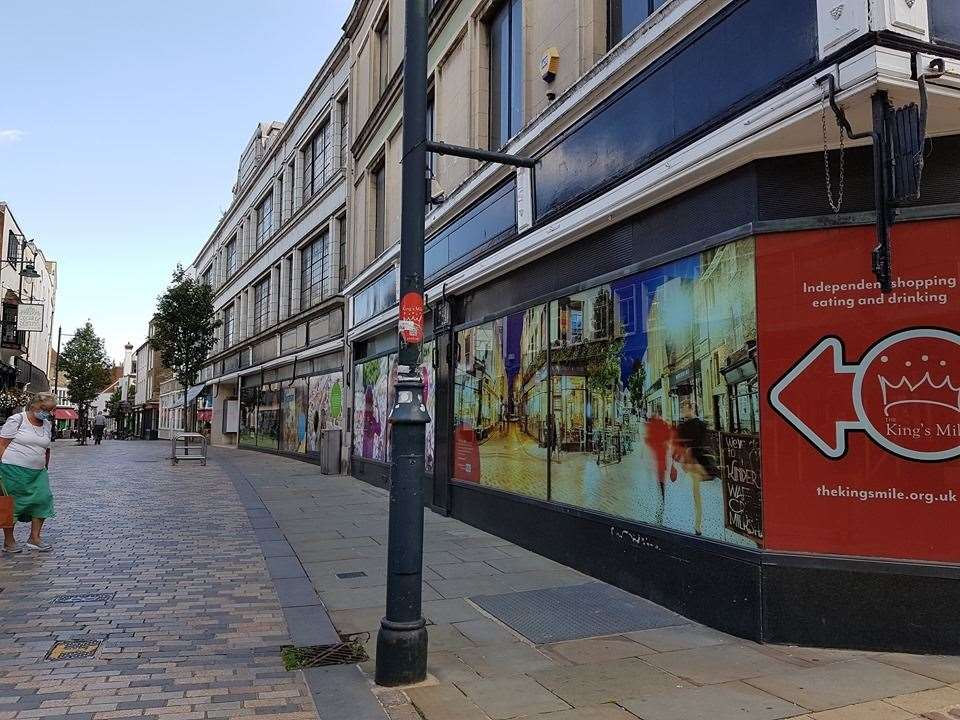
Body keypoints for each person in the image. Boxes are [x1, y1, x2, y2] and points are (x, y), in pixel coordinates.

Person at [0, 392, 56, 553]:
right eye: (44, 408)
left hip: (38, 472)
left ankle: (34, 538)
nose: (47, 413)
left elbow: (46, 448)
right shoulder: (17, 420)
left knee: (43, 500)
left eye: (50, 410)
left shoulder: (46, 424)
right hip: (13, 470)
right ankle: (9, 542)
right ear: (33, 406)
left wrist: (46, 466)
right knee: (12, 505)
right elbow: (2, 444)